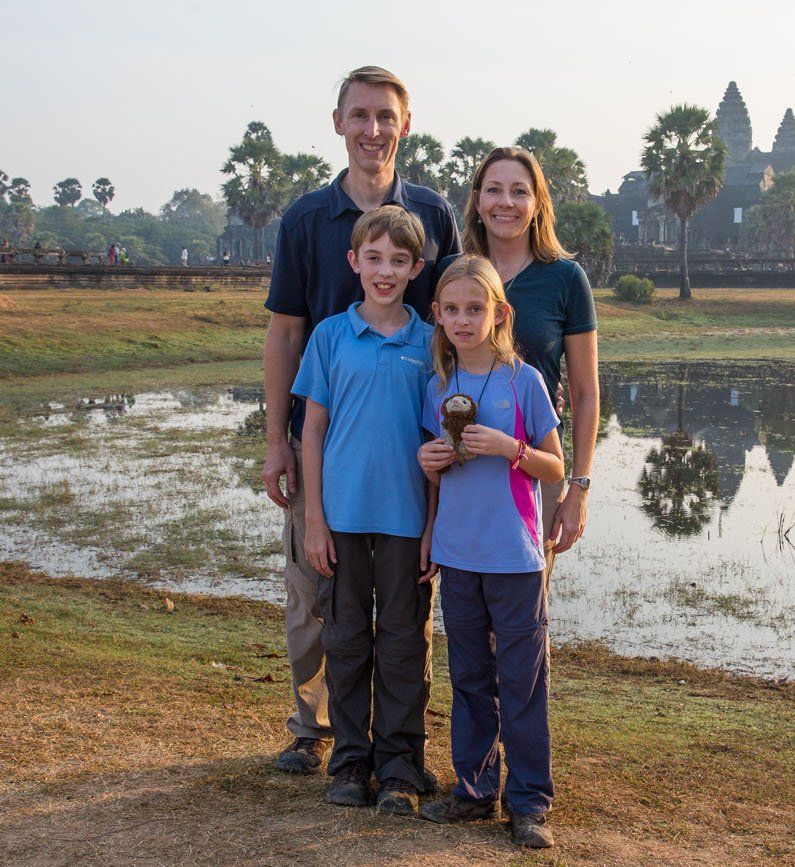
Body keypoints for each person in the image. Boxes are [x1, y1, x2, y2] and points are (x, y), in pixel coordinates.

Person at [262, 65, 461, 778]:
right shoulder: (306, 219)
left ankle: (403, 746)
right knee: (316, 590)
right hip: (325, 434)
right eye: (359, 116)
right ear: (339, 122)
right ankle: (316, 730)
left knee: (408, 610)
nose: (372, 130)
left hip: (408, 449)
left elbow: (451, 323)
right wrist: (275, 442)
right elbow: (286, 332)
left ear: (405, 125)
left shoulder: (434, 217)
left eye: (385, 116)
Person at [415, 255, 563, 848]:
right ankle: (475, 791)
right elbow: (436, 470)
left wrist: (510, 447)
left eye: (475, 309)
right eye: (451, 309)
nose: (463, 319)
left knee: (521, 679)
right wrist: (430, 463)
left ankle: (528, 802)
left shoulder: (522, 381)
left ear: (499, 313)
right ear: (438, 316)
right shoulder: (437, 387)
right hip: (459, 553)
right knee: (470, 675)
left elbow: (555, 465)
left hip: (515, 557)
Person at [291, 205, 435, 815]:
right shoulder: (329, 336)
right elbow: (314, 432)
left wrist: (434, 526)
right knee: (347, 640)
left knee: (403, 644)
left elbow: (439, 444)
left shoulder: (431, 343)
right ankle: (350, 762)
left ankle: (400, 767)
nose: (385, 271)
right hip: (341, 522)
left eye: (398, 261)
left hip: (406, 522)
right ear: (353, 262)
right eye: (373, 258)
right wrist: (315, 522)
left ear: (416, 268)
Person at [427, 147, 598, 583]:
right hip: (463, 475)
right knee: (468, 614)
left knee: (521, 618)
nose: (506, 202)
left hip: (534, 470)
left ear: (538, 202)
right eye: (494, 190)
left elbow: (584, 392)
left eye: (519, 191)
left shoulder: (564, 278)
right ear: (477, 200)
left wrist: (578, 488)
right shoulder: (453, 271)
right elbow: (430, 363)